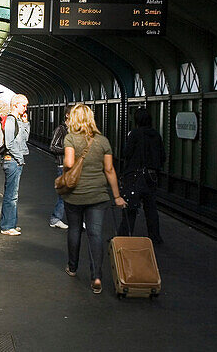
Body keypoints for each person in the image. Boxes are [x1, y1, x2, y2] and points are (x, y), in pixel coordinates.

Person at [61, 102, 127, 294]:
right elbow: (109, 169)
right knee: (95, 234)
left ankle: (72, 268)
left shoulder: (70, 138)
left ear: (73, 119)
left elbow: (69, 162)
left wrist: (67, 169)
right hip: (98, 195)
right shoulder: (103, 140)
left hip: (75, 195)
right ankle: (96, 276)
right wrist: (117, 196)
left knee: (74, 230)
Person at [119, 107, 165, 244]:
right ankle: (155, 236)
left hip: (135, 175)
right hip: (151, 176)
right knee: (151, 208)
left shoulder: (135, 133)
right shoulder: (156, 135)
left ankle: (124, 237)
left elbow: (127, 153)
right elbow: (162, 156)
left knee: (130, 207)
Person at [0, 94, 30, 236]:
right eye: (24, 105)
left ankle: (11, 223)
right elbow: (9, 143)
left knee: (13, 194)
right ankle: (6, 226)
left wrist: (25, 123)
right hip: (12, 160)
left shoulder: (17, 120)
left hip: (15, 160)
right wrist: (20, 159)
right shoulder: (11, 120)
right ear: (16, 105)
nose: (26, 108)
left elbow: (25, 139)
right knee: (11, 195)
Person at [47, 106, 71, 230]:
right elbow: (52, 147)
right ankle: (55, 218)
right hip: (63, 166)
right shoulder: (61, 129)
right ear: (67, 115)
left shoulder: (74, 130)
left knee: (73, 195)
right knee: (64, 195)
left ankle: (75, 220)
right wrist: (68, 150)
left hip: (73, 167)